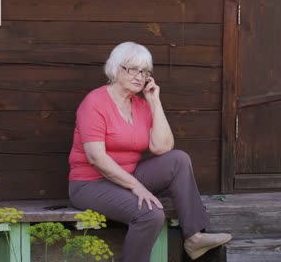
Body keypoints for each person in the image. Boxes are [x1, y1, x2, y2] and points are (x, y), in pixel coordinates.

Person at [68, 41, 232, 262]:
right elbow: (96, 158)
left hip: (126, 176)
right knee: (150, 215)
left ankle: (193, 237)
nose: (140, 76)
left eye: (144, 71)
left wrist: (154, 102)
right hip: (90, 184)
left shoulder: (141, 105)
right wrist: (137, 187)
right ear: (115, 70)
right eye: (133, 69)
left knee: (178, 160)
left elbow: (162, 147)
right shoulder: (95, 102)